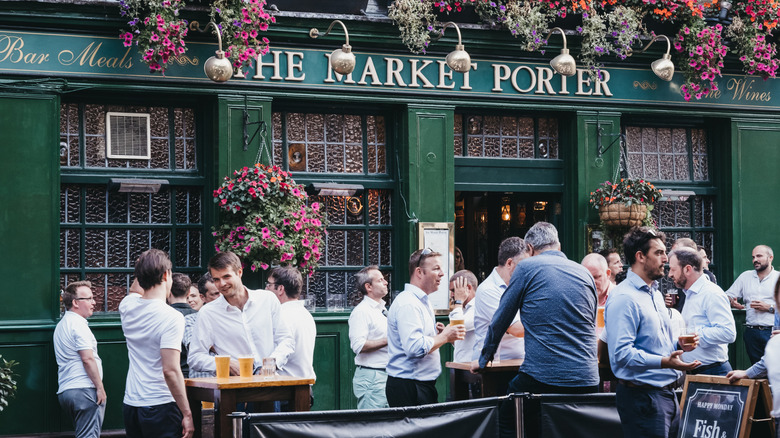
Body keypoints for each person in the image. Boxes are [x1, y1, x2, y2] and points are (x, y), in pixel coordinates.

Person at [475, 222, 599, 438]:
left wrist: (484, 357)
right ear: (558, 245)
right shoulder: (584, 272)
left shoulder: (526, 267)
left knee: (504, 419)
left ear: (530, 249)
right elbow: (591, 321)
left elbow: (501, 318)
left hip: (545, 377)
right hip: (588, 379)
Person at [606, 227, 701, 438]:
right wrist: (665, 362)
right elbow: (621, 354)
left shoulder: (656, 293)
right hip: (643, 398)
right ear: (640, 256)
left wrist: (678, 347)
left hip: (667, 393)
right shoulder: (624, 298)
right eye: (658, 253)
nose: (666, 258)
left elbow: (653, 344)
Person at [121, 249, 193, 438]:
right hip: (161, 404)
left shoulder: (127, 306)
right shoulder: (172, 317)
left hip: (131, 403)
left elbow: (134, 290)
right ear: (166, 274)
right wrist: (186, 412)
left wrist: (142, 268)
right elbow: (170, 370)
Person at [188, 251, 294, 378]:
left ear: (239, 272)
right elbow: (195, 357)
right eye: (216, 279)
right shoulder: (208, 313)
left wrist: (271, 363)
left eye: (226, 276)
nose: (221, 284)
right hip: (235, 389)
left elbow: (286, 339)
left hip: (270, 382)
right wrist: (226, 364)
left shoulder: (267, 299)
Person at [385, 249, 463, 407]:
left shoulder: (421, 301)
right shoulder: (409, 303)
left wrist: (438, 336)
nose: (442, 274)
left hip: (419, 385)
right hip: (411, 387)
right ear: (419, 272)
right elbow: (414, 348)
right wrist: (444, 337)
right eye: (436, 269)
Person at [668, 248, 736, 376]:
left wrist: (695, 335)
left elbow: (728, 332)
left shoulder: (712, 293)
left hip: (713, 372)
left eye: (673, 269)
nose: (670, 274)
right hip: (694, 372)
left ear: (687, 269)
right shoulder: (688, 293)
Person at [54, 281, 106, 438]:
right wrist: (100, 388)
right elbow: (87, 359)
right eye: (89, 298)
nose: (94, 302)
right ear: (75, 302)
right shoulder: (78, 325)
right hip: (84, 389)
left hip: (67, 390)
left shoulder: (62, 325)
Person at [471, 237, 529, 363]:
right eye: (524, 265)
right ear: (509, 263)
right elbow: (517, 330)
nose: (528, 270)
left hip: (520, 362)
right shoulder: (488, 290)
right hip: (494, 365)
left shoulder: (522, 286)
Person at [726, 245, 779, 364]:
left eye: (759, 256)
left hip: (773, 332)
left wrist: (769, 307)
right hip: (751, 332)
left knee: (775, 370)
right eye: (753, 257)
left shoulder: (778, 278)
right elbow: (727, 295)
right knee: (757, 373)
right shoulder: (745, 276)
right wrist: (732, 302)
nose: (755, 260)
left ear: (770, 257)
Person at [348, 266, 390, 409]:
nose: (386, 282)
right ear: (368, 287)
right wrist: (389, 340)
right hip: (372, 376)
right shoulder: (361, 312)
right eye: (380, 280)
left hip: (387, 374)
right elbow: (358, 346)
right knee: (372, 426)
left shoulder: (383, 309)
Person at [268, 266, 316, 380]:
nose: (266, 289)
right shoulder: (306, 314)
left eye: (269, 285)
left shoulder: (282, 315)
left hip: (286, 387)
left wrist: (266, 369)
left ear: (280, 289)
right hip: (305, 385)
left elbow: (284, 348)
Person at [182, 272, 221, 378]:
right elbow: (194, 345)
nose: (221, 297)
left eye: (222, 292)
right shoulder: (190, 320)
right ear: (203, 297)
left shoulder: (233, 317)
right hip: (203, 384)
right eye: (216, 294)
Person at [169, 273, 195, 377]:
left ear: (168, 292)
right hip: (194, 373)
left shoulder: (165, 315)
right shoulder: (199, 316)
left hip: (171, 373)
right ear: (189, 292)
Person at [449, 270, 478, 363]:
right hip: (460, 366)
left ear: (468, 288)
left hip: (472, 367)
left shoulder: (478, 307)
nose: (452, 295)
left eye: (454, 290)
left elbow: (458, 327)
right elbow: (464, 344)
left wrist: (458, 302)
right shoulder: (462, 309)